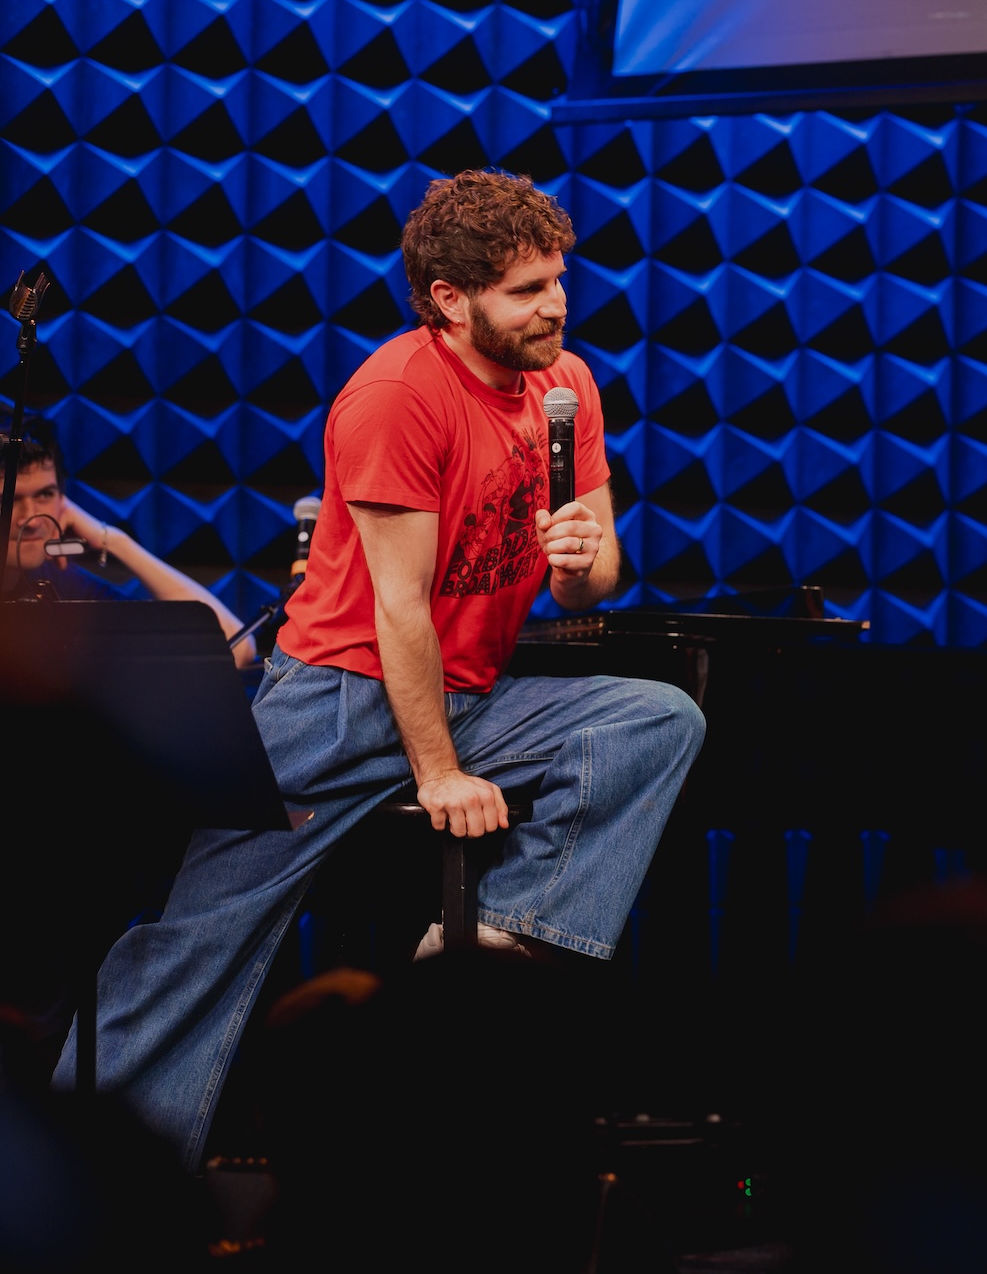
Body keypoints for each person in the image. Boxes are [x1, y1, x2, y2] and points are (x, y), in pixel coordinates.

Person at [55, 169, 707, 1170]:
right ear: (450, 298)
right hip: (334, 698)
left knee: (658, 717)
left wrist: (584, 561)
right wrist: (437, 772)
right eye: (527, 290)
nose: (557, 305)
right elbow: (399, 608)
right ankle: (77, 1176)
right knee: (199, 939)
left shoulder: (566, 384)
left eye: (557, 280)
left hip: (470, 693)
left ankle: (490, 942)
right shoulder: (398, 395)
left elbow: (592, 578)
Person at [3, 420, 255, 665]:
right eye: (8, 500)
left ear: (63, 500)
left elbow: (237, 648)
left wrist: (114, 541)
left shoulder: (56, 583)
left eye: (45, 495)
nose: (31, 519)